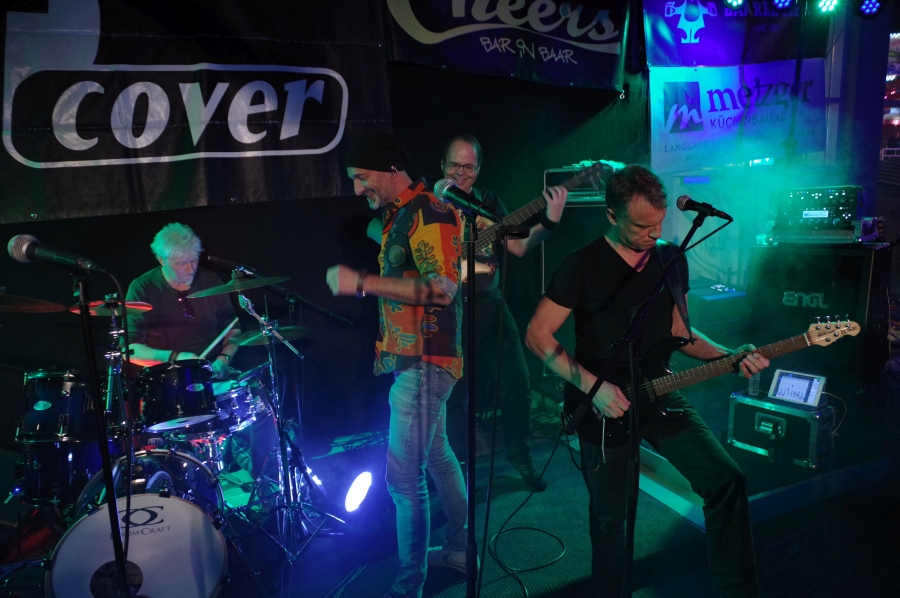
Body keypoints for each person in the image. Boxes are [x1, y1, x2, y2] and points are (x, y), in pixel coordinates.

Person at [525, 165, 769, 598]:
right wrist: (594, 387)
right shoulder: (581, 264)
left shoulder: (670, 258)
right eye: (641, 226)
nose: (653, 234)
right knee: (611, 521)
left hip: (659, 392)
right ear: (611, 215)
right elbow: (537, 335)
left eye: (659, 223)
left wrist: (729, 357)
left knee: (727, 481)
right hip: (603, 405)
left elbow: (681, 333)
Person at [326, 131, 469, 598]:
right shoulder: (402, 214)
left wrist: (362, 282)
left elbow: (442, 289)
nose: (356, 188)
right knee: (438, 456)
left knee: (404, 480)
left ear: (390, 170)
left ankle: (408, 588)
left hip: (425, 360)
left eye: (361, 177)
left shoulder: (430, 210)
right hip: (416, 360)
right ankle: (461, 550)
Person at [435, 134, 567, 491]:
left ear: (478, 169)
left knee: (518, 383)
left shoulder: (489, 204)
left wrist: (550, 221)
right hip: (447, 311)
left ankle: (520, 457)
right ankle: (454, 471)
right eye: (454, 165)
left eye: (468, 167)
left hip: (491, 305)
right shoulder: (428, 203)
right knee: (453, 396)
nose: (460, 173)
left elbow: (519, 246)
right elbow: (379, 228)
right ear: (442, 165)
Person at [126, 223, 275, 481]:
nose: (190, 269)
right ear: (161, 260)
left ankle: (265, 480)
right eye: (180, 263)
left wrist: (224, 358)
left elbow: (233, 328)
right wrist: (175, 358)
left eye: (193, 260)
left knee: (265, 406)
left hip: (211, 375)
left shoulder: (210, 281)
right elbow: (130, 349)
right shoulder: (142, 288)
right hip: (167, 386)